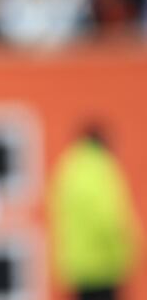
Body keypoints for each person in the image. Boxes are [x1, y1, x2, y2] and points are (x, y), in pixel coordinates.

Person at [48, 126, 141, 300]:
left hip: (75, 267)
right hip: (103, 264)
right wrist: (127, 252)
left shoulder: (68, 167)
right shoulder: (101, 167)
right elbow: (109, 218)